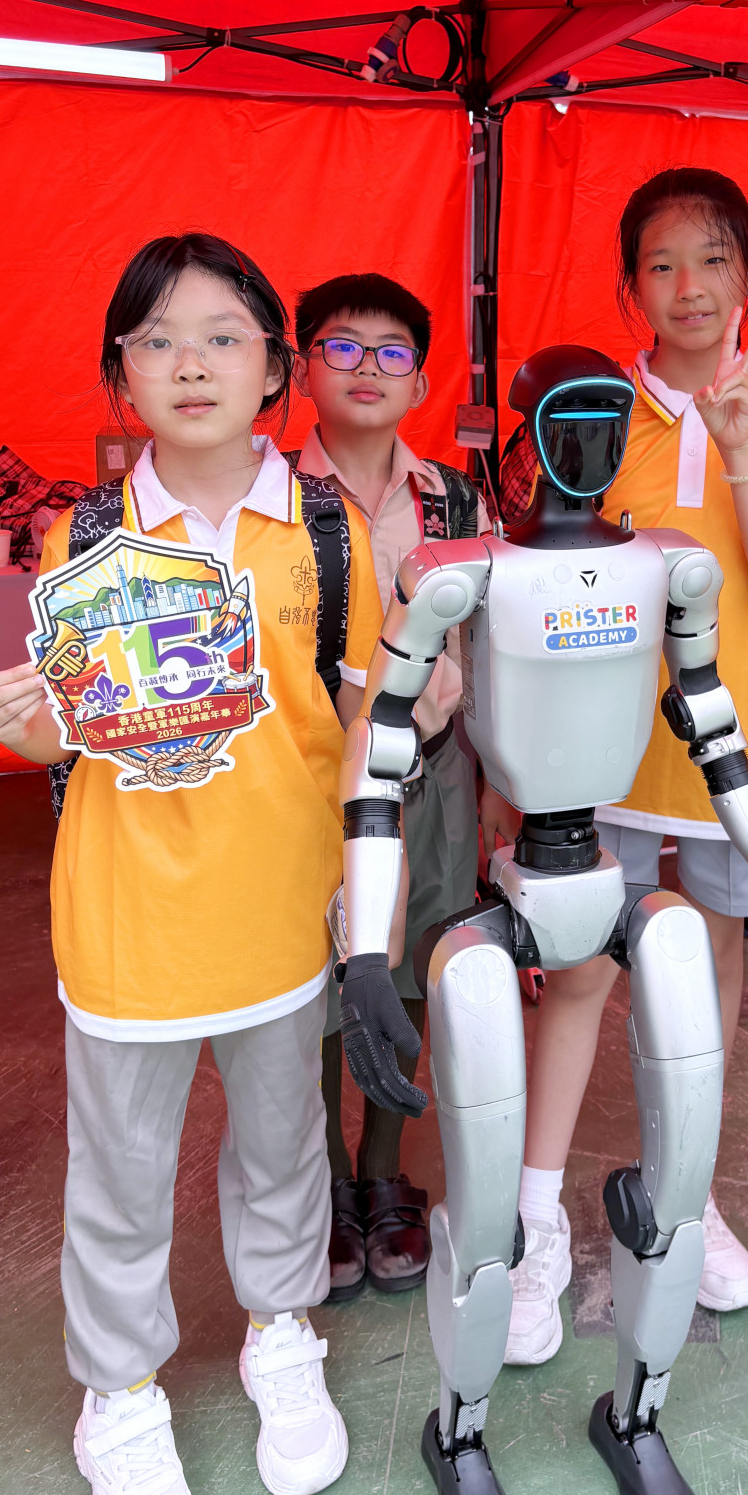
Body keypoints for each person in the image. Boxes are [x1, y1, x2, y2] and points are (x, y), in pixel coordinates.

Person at [0, 234, 385, 1495]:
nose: (190, 364)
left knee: (285, 1144)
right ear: (121, 377)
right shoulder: (85, 534)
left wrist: (410, 721)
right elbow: (76, 724)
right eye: (157, 341)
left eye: (221, 338)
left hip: (279, 905)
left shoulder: (327, 529)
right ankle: (121, 1391)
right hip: (129, 917)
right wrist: (25, 727)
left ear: (274, 369)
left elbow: (358, 714)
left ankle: (282, 1334)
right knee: (121, 1171)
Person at [492, 167, 748, 1366]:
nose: (688, 286)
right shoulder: (592, 408)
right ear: (628, 285)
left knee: (712, 977)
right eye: (661, 263)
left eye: (712, 259)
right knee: (581, 974)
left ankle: (683, 1189)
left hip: (745, 751)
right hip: (605, 751)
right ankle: (535, 1219)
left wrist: (741, 448)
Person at [293, 273, 487, 1301]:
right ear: (301, 369)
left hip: (434, 770)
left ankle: (384, 1170)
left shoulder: (455, 499)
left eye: (392, 352)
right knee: (321, 974)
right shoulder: (272, 497)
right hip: (312, 781)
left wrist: (495, 785)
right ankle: (324, 1177)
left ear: (420, 380)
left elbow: (483, 644)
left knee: (412, 961)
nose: (367, 368)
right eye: (342, 346)